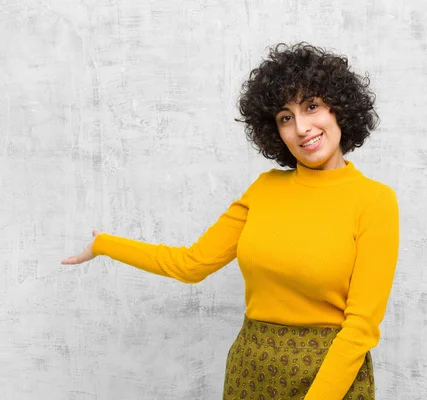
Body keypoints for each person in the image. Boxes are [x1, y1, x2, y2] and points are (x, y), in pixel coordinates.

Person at [62, 42, 400, 400]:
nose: (302, 128)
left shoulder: (374, 201)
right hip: (251, 372)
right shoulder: (265, 188)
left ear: (339, 108)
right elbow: (192, 264)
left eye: (311, 106)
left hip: (330, 379)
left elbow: (361, 327)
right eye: (286, 117)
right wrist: (105, 245)